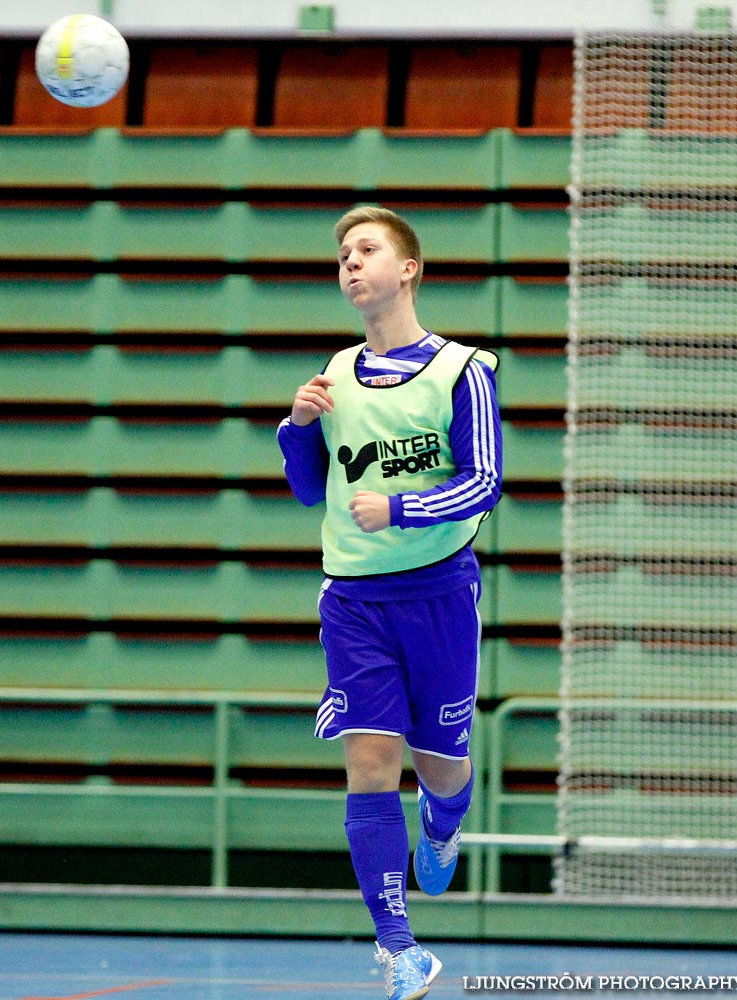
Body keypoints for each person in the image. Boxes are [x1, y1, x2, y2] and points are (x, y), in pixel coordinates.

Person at [276, 206, 502, 1000]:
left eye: (365, 250)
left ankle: (443, 826)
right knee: (370, 765)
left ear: (407, 269)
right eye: (341, 254)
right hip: (353, 601)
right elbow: (311, 492)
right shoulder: (334, 372)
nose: (349, 263)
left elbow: (484, 482)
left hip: (438, 594)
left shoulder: (462, 370)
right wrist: (296, 427)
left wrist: (402, 509)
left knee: (439, 769)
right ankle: (401, 949)